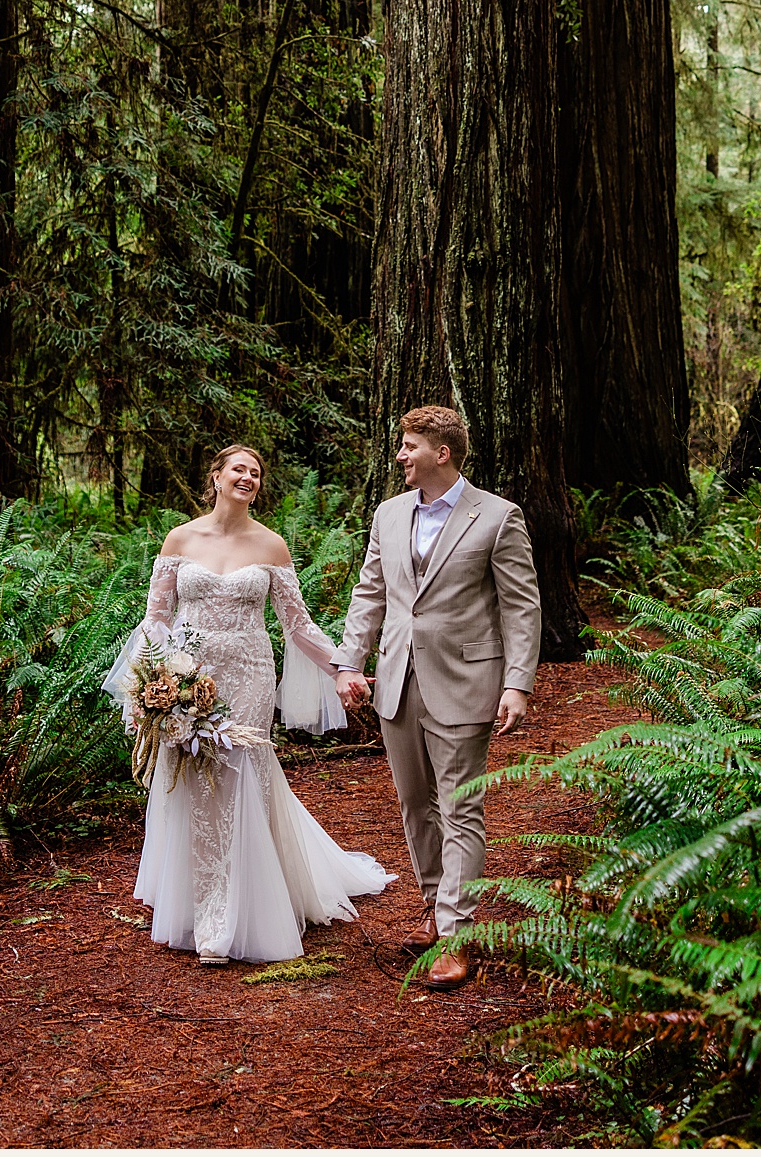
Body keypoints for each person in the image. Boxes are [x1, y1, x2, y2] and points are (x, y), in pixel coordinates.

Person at [103, 443, 394, 965]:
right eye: (238, 468)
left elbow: (298, 626)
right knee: (189, 776)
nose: (248, 477)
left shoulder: (271, 546)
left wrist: (342, 667)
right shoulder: (180, 538)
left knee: (240, 773)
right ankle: (197, 904)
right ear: (215, 476)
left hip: (249, 677)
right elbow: (157, 618)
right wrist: (156, 676)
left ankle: (234, 911)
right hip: (188, 676)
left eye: (256, 473)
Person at [331, 405, 540, 990]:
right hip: (396, 680)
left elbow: (521, 606)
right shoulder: (389, 515)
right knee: (414, 804)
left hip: (466, 681)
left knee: (460, 808)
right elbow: (370, 592)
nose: (400, 455)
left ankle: (458, 934)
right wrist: (350, 661)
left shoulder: (498, 517)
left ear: (440, 453)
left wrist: (517, 682)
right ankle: (434, 907)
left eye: (408, 446)